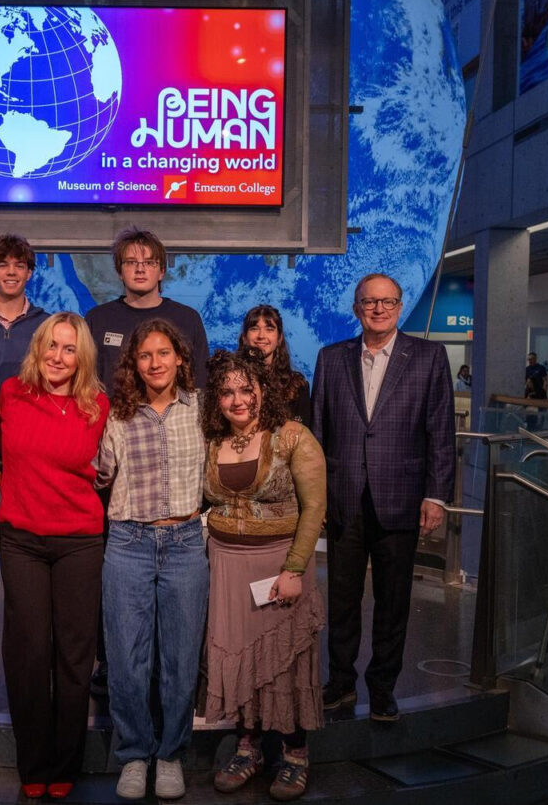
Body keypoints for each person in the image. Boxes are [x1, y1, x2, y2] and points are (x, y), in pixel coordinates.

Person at [311, 273, 455, 722]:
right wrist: (316, 497)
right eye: (370, 302)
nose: (378, 309)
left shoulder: (429, 357)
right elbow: (317, 434)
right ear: (357, 307)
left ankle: (383, 688)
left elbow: (441, 431)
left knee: (393, 602)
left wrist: (437, 496)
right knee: (342, 600)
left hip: (402, 497)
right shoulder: (331, 358)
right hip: (344, 497)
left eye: (387, 302)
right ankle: (340, 683)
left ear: (399, 306)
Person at [202, 348, 326, 802]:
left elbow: (315, 508)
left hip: (279, 566)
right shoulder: (213, 439)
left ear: (263, 391)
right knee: (238, 659)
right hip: (227, 567)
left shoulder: (293, 437)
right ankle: (247, 749)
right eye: (227, 392)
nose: (237, 400)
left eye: (246, 390)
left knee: (284, 664)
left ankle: (295, 755)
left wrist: (295, 569)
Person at [0, 313, 109, 800]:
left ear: (81, 358)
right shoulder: (11, 394)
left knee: (73, 656)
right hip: (21, 540)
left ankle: (65, 763)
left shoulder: (97, 405)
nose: (58, 357)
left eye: (69, 349)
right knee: (28, 654)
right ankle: (33, 762)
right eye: (52, 346)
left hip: (79, 541)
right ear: (38, 347)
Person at [95, 319, 208, 801]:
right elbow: (100, 474)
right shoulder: (118, 414)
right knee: (126, 658)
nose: (155, 363)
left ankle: (170, 755)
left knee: (181, 658)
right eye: (145, 355)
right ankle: (134, 754)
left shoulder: (201, 409)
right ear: (134, 364)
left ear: (180, 358)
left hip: (185, 542)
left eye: (164, 353)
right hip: (128, 543)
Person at [85, 226, 209, 396]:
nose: (140, 269)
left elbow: (201, 382)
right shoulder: (97, 319)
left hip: (175, 413)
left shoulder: (187, 319)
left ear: (161, 272)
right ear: (120, 272)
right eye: (131, 262)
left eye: (149, 263)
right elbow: (85, 380)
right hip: (111, 412)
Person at [0, 233, 50, 384]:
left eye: (19, 266)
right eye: (3, 265)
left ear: (29, 273)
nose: (11, 272)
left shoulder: (46, 325)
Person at [238, 304, 312, 426]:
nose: (261, 336)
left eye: (269, 329)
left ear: (279, 338)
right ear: (244, 338)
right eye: (254, 329)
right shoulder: (229, 382)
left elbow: (302, 432)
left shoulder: (297, 386)